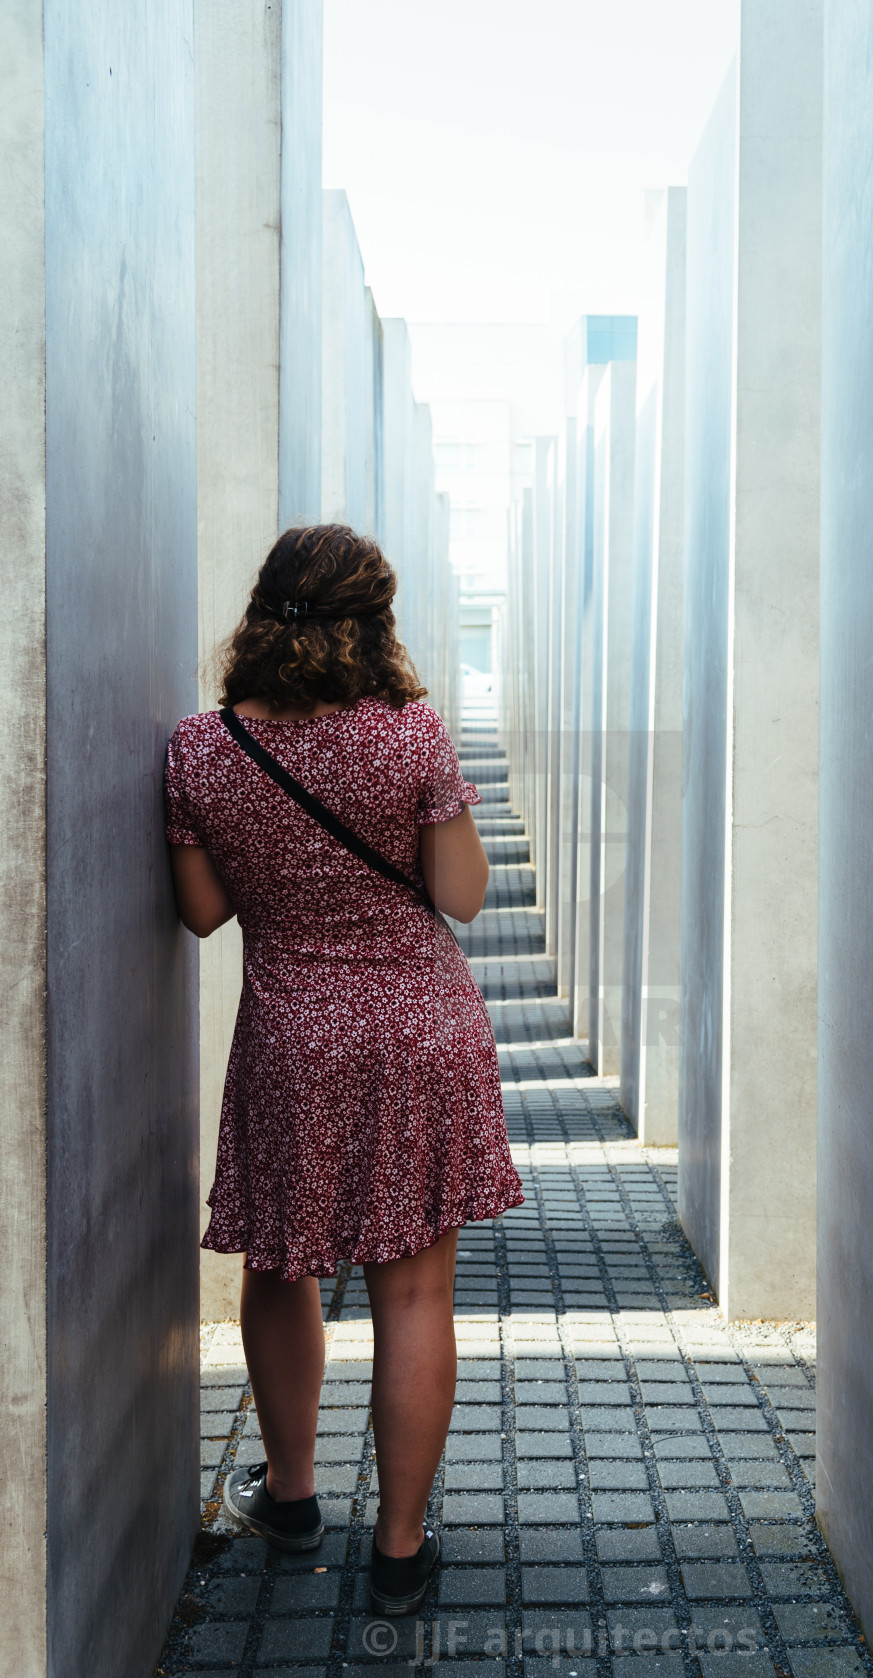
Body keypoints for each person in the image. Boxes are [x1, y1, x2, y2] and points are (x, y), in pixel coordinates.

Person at [165, 523, 523, 1615]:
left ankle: (290, 1493)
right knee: (412, 1287)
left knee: (279, 1263)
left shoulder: (201, 746)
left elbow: (201, 911)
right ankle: (401, 1551)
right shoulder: (411, 735)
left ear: (262, 609)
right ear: (374, 619)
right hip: (420, 1028)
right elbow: (461, 894)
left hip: (293, 1035)